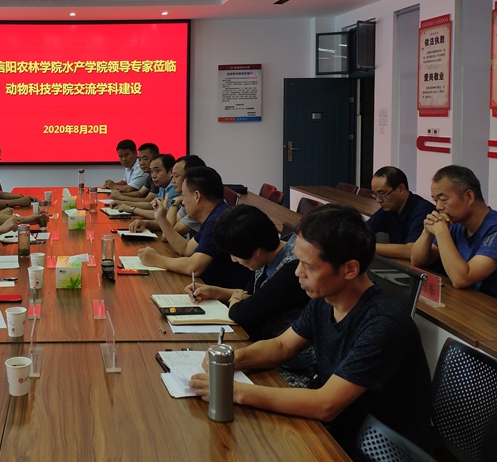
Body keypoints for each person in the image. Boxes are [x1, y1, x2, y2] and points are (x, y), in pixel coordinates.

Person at [190, 204, 432, 457]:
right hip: (335, 431)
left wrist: (233, 390)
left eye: (310, 266)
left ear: (350, 269)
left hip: (376, 451)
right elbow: (281, 346)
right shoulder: (325, 300)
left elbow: (326, 404)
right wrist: (230, 360)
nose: (298, 272)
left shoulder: (383, 324)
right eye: (298, 261)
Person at [184, 204, 309, 344]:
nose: (233, 259)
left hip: (286, 352)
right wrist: (214, 292)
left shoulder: (293, 269)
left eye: (235, 254)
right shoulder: (265, 256)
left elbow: (242, 314)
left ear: (256, 251)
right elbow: (250, 295)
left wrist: (235, 300)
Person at [137, 166, 250, 288]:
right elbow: (185, 248)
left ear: (197, 196)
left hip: (223, 294)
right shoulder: (214, 214)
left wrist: (156, 259)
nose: (183, 202)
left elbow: (194, 268)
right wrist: (161, 218)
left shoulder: (218, 221)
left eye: (184, 196)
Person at [411, 165, 497, 296]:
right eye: (435, 200)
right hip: (463, 300)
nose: (438, 207)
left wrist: (441, 232)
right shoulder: (455, 222)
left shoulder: (493, 228)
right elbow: (418, 261)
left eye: (443, 200)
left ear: (469, 196)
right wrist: (427, 232)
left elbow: (461, 279)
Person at [129, 154, 205, 236]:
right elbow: (166, 224)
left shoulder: (198, 205)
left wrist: (174, 202)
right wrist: (144, 223)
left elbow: (166, 234)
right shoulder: (185, 200)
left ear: (191, 179)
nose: (172, 181)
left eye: (176, 176)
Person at [366, 166, 433, 259]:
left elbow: (411, 251)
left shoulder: (422, 211)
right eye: (374, 194)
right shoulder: (389, 208)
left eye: (382, 194)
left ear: (401, 189)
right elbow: (363, 231)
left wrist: (367, 247)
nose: (378, 200)